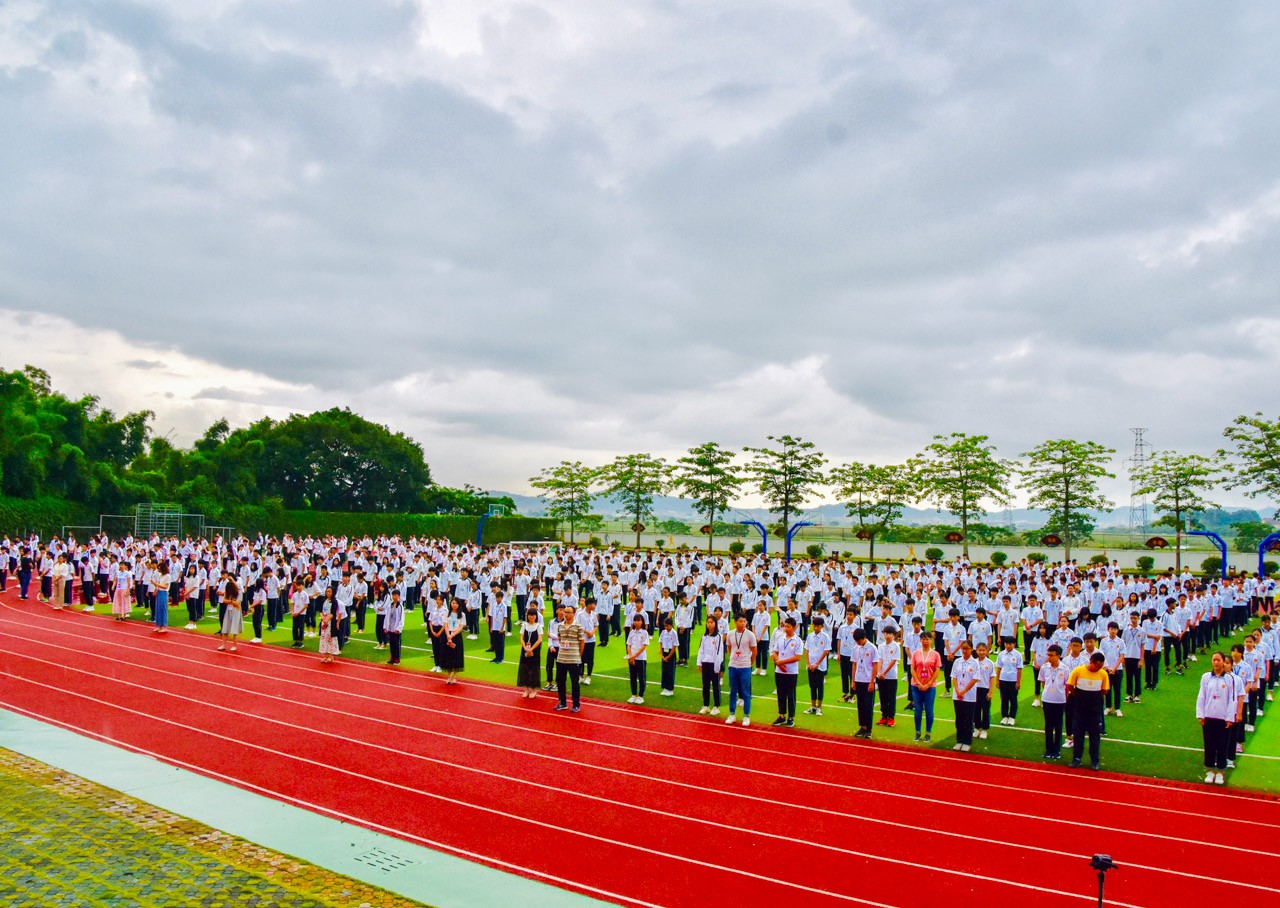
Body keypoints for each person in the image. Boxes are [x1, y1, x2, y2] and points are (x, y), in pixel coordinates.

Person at [1196, 651, 1241, 785]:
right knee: (1209, 744)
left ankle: (1220, 772)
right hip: (1209, 716)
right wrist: (1200, 714)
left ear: (1223, 662)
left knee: (1222, 745)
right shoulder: (1205, 677)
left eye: (1218, 660)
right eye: (1214, 660)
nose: (1216, 663)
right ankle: (1210, 770)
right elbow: (1201, 696)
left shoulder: (1229, 679)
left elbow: (1232, 699)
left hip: (1223, 718)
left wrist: (1229, 718)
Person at [1066, 651, 1109, 770]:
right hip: (1080, 710)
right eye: (1097, 666)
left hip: (1095, 711)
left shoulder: (1103, 674)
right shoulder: (1078, 671)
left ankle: (1094, 761)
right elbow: (1070, 686)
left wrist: (1094, 698)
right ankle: (1077, 759)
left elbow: (1105, 690)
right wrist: (1079, 697)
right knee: (1078, 736)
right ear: (1091, 662)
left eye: (1100, 667)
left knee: (1095, 737)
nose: (1098, 669)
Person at [725, 613, 756, 727]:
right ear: (735, 622)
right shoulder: (730, 634)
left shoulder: (750, 635)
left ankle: (746, 715)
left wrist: (750, 663)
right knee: (733, 691)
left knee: (745, 692)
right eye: (740, 621)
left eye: (744, 621)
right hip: (733, 666)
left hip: (745, 667)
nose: (743, 624)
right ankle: (732, 714)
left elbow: (754, 651)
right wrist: (733, 658)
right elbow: (729, 647)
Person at [1039, 644, 1069, 759]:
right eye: (1048, 655)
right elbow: (1043, 682)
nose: (1049, 657)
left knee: (1058, 725)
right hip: (1047, 700)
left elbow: (1067, 686)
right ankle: (1048, 749)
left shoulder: (1065, 669)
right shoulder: (1044, 667)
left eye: (1052, 655)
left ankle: (1057, 750)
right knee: (1048, 725)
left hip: (1060, 701)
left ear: (1059, 656)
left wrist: (1063, 697)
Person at [910, 631, 941, 742]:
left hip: (930, 686)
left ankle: (928, 732)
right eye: (923, 639)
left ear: (931, 640)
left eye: (927, 639)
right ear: (920, 640)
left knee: (929, 709)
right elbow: (912, 669)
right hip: (916, 685)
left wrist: (928, 683)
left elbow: (937, 670)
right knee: (917, 709)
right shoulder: (916, 653)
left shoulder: (935, 654)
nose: (925, 641)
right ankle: (917, 732)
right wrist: (918, 682)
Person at [771, 617, 803, 727]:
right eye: (785, 626)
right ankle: (781, 715)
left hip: (791, 672)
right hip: (779, 671)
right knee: (780, 693)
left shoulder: (798, 641)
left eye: (788, 627)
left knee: (791, 694)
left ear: (794, 628)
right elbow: (775, 652)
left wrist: (782, 662)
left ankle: (791, 717)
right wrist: (778, 662)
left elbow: (798, 657)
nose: (786, 628)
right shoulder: (781, 638)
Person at [555, 604, 585, 712]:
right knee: (560, 681)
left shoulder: (578, 626)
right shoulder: (560, 626)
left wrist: (578, 655)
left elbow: (582, 642)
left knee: (574, 683)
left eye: (568, 612)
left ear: (574, 614)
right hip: (561, 658)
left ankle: (576, 704)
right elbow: (560, 639)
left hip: (574, 659)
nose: (566, 614)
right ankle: (562, 702)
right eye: (565, 612)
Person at [950, 639, 980, 752]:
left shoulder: (975, 663)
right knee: (959, 719)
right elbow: (954, 676)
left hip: (969, 695)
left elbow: (975, 679)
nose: (965, 651)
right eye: (963, 648)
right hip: (957, 694)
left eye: (967, 648)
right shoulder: (957, 661)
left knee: (968, 719)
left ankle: (967, 741)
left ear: (972, 649)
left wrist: (964, 691)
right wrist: (958, 690)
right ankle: (959, 740)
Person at [850, 627, 878, 738]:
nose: (857, 643)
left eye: (859, 641)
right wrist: (853, 680)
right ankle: (862, 726)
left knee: (868, 705)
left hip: (868, 680)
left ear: (864, 638)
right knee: (860, 705)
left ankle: (869, 728)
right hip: (858, 679)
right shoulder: (856, 648)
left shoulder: (872, 648)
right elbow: (854, 664)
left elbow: (875, 665)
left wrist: (872, 682)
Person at [804, 616, 830, 717]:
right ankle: (813, 706)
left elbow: (826, 651)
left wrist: (817, 664)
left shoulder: (825, 637)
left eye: (817, 626)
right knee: (812, 686)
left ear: (821, 626)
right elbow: (807, 650)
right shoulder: (810, 636)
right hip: (810, 665)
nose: (815, 628)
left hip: (820, 666)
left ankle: (819, 707)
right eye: (814, 626)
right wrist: (808, 663)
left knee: (820, 686)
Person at [697, 616, 724, 714]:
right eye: (708, 622)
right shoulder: (704, 636)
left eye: (711, 622)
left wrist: (717, 667)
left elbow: (719, 652)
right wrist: (699, 662)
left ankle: (716, 706)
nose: (709, 624)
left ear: (715, 624)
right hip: (705, 663)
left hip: (714, 664)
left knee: (716, 685)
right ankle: (706, 705)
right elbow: (701, 650)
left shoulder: (718, 637)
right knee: (705, 685)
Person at [995, 637, 1024, 726]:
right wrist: (997, 680)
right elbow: (999, 667)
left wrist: (1018, 682)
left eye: (1010, 644)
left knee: (1013, 699)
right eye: (1006, 644)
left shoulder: (1017, 655)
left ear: (1014, 644)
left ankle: (1012, 717)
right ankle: (1004, 716)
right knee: (1004, 698)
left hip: (1013, 680)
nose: (1008, 646)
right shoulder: (1001, 654)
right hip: (1003, 679)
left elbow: (1019, 669)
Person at [875, 626, 899, 727]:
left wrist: (884, 672)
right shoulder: (880, 646)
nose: (887, 635)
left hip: (891, 676)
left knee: (891, 697)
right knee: (882, 697)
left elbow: (893, 661)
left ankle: (891, 717)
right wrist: (879, 672)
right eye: (886, 633)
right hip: (881, 676)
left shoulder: (896, 646)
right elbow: (879, 659)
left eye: (889, 633)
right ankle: (884, 716)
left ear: (893, 635)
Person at [517, 607, 543, 697]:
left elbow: (539, 640)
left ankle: (533, 689)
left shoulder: (538, 626)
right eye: (530, 615)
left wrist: (531, 649)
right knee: (525, 669)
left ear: (536, 616)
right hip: (525, 650)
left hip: (534, 651)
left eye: (533, 615)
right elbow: (521, 638)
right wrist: (525, 648)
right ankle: (527, 689)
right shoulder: (524, 625)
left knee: (534, 669)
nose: (531, 617)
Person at [625, 613, 649, 705]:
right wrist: (630, 656)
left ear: (642, 622)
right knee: (633, 677)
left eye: (638, 620)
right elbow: (629, 644)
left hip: (640, 658)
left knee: (641, 677)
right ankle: (633, 694)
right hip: (632, 658)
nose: (636, 622)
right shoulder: (632, 632)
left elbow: (643, 646)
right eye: (635, 620)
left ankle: (641, 695)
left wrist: (634, 656)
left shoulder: (644, 632)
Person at [441, 598, 466, 685]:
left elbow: (461, 627)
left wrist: (452, 635)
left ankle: (454, 676)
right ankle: (448, 676)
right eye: (452, 603)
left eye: (456, 603)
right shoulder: (447, 613)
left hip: (457, 637)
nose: (454, 605)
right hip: (448, 636)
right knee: (447, 655)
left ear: (459, 605)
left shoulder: (462, 615)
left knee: (456, 656)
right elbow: (445, 625)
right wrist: (448, 635)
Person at [218, 578, 243, 653]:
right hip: (229, 610)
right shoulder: (228, 592)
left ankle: (234, 645)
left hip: (236, 611)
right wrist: (232, 601)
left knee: (235, 629)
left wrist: (231, 602)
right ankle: (223, 645)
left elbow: (237, 603)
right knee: (225, 628)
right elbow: (224, 600)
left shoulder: (239, 592)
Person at [659, 616, 678, 697]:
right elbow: (660, 643)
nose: (666, 627)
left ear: (671, 625)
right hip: (664, 652)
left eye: (668, 626)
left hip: (671, 654)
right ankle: (665, 688)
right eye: (665, 626)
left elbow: (674, 646)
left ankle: (670, 689)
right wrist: (662, 655)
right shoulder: (663, 632)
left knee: (670, 671)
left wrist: (669, 656)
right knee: (664, 671)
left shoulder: (674, 633)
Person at [385, 589, 405, 666]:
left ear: (399, 596)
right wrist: (386, 627)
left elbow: (401, 618)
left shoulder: (400, 606)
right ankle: (392, 657)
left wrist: (399, 628)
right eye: (393, 595)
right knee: (391, 643)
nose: (394, 597)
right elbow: (387, 617)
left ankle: (397, 658)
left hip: (396, 628)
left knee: (396, 644)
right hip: (390, 627)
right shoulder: (390, 605)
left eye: (396, 595)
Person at [152, 561, 171, 634]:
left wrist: (156, 584)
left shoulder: (167, 576)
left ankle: (164, 626)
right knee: (158, 609)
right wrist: (155, 589)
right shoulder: (160, 575)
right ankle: (159, 625)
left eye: (160, 568)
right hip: (159, 592)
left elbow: (165, 586)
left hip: (164, 592)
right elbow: (159, 584)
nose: (159, 570)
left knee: (163, 609)